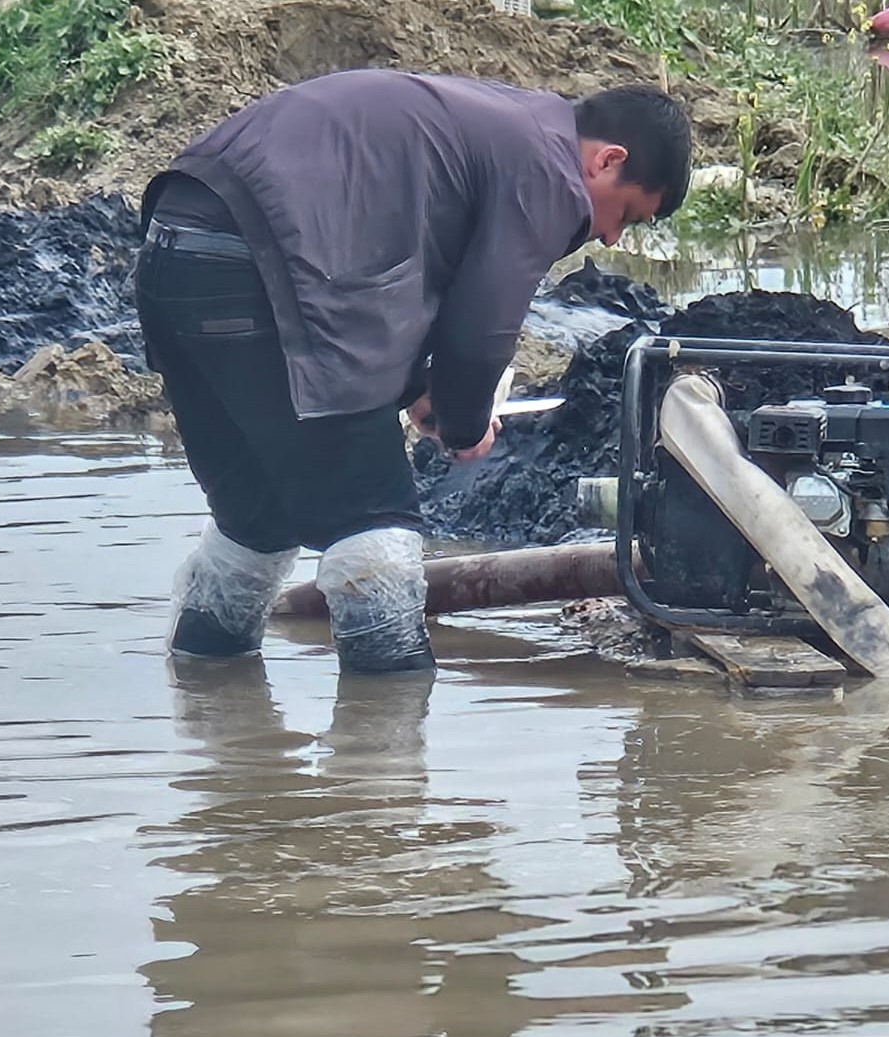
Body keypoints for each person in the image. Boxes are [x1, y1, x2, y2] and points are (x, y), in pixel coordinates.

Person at [135, 70, 692, 673]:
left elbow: (375, 264)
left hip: (173, 249)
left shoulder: (500, 124)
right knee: (374, 519)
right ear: (608, 160)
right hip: (257, 266)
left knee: (255, 519)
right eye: (625, 215)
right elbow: (481, 323)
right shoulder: (548, 168)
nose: (608, 237)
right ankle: (385, 723)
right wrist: (462, 420)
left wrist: (416, 390)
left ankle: (208, 705)